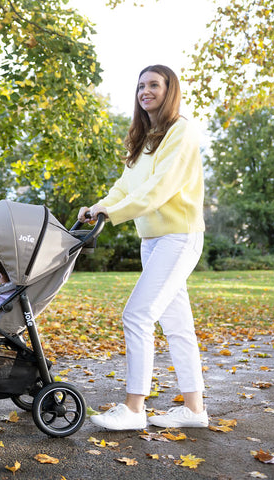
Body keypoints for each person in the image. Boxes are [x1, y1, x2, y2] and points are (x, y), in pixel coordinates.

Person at [79, 65, 207, 430]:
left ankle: (134, 409)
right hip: (151, 241)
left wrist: (114, 212)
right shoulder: (144, 138)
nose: (145, 91)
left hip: (178, 236)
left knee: (137, 315)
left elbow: (159, 188)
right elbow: (125, 187)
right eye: (140, 86)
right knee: (177, 325)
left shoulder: (180, 131)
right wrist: (98, 207)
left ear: (170, 90)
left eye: (154, 85)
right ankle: (195, 410)